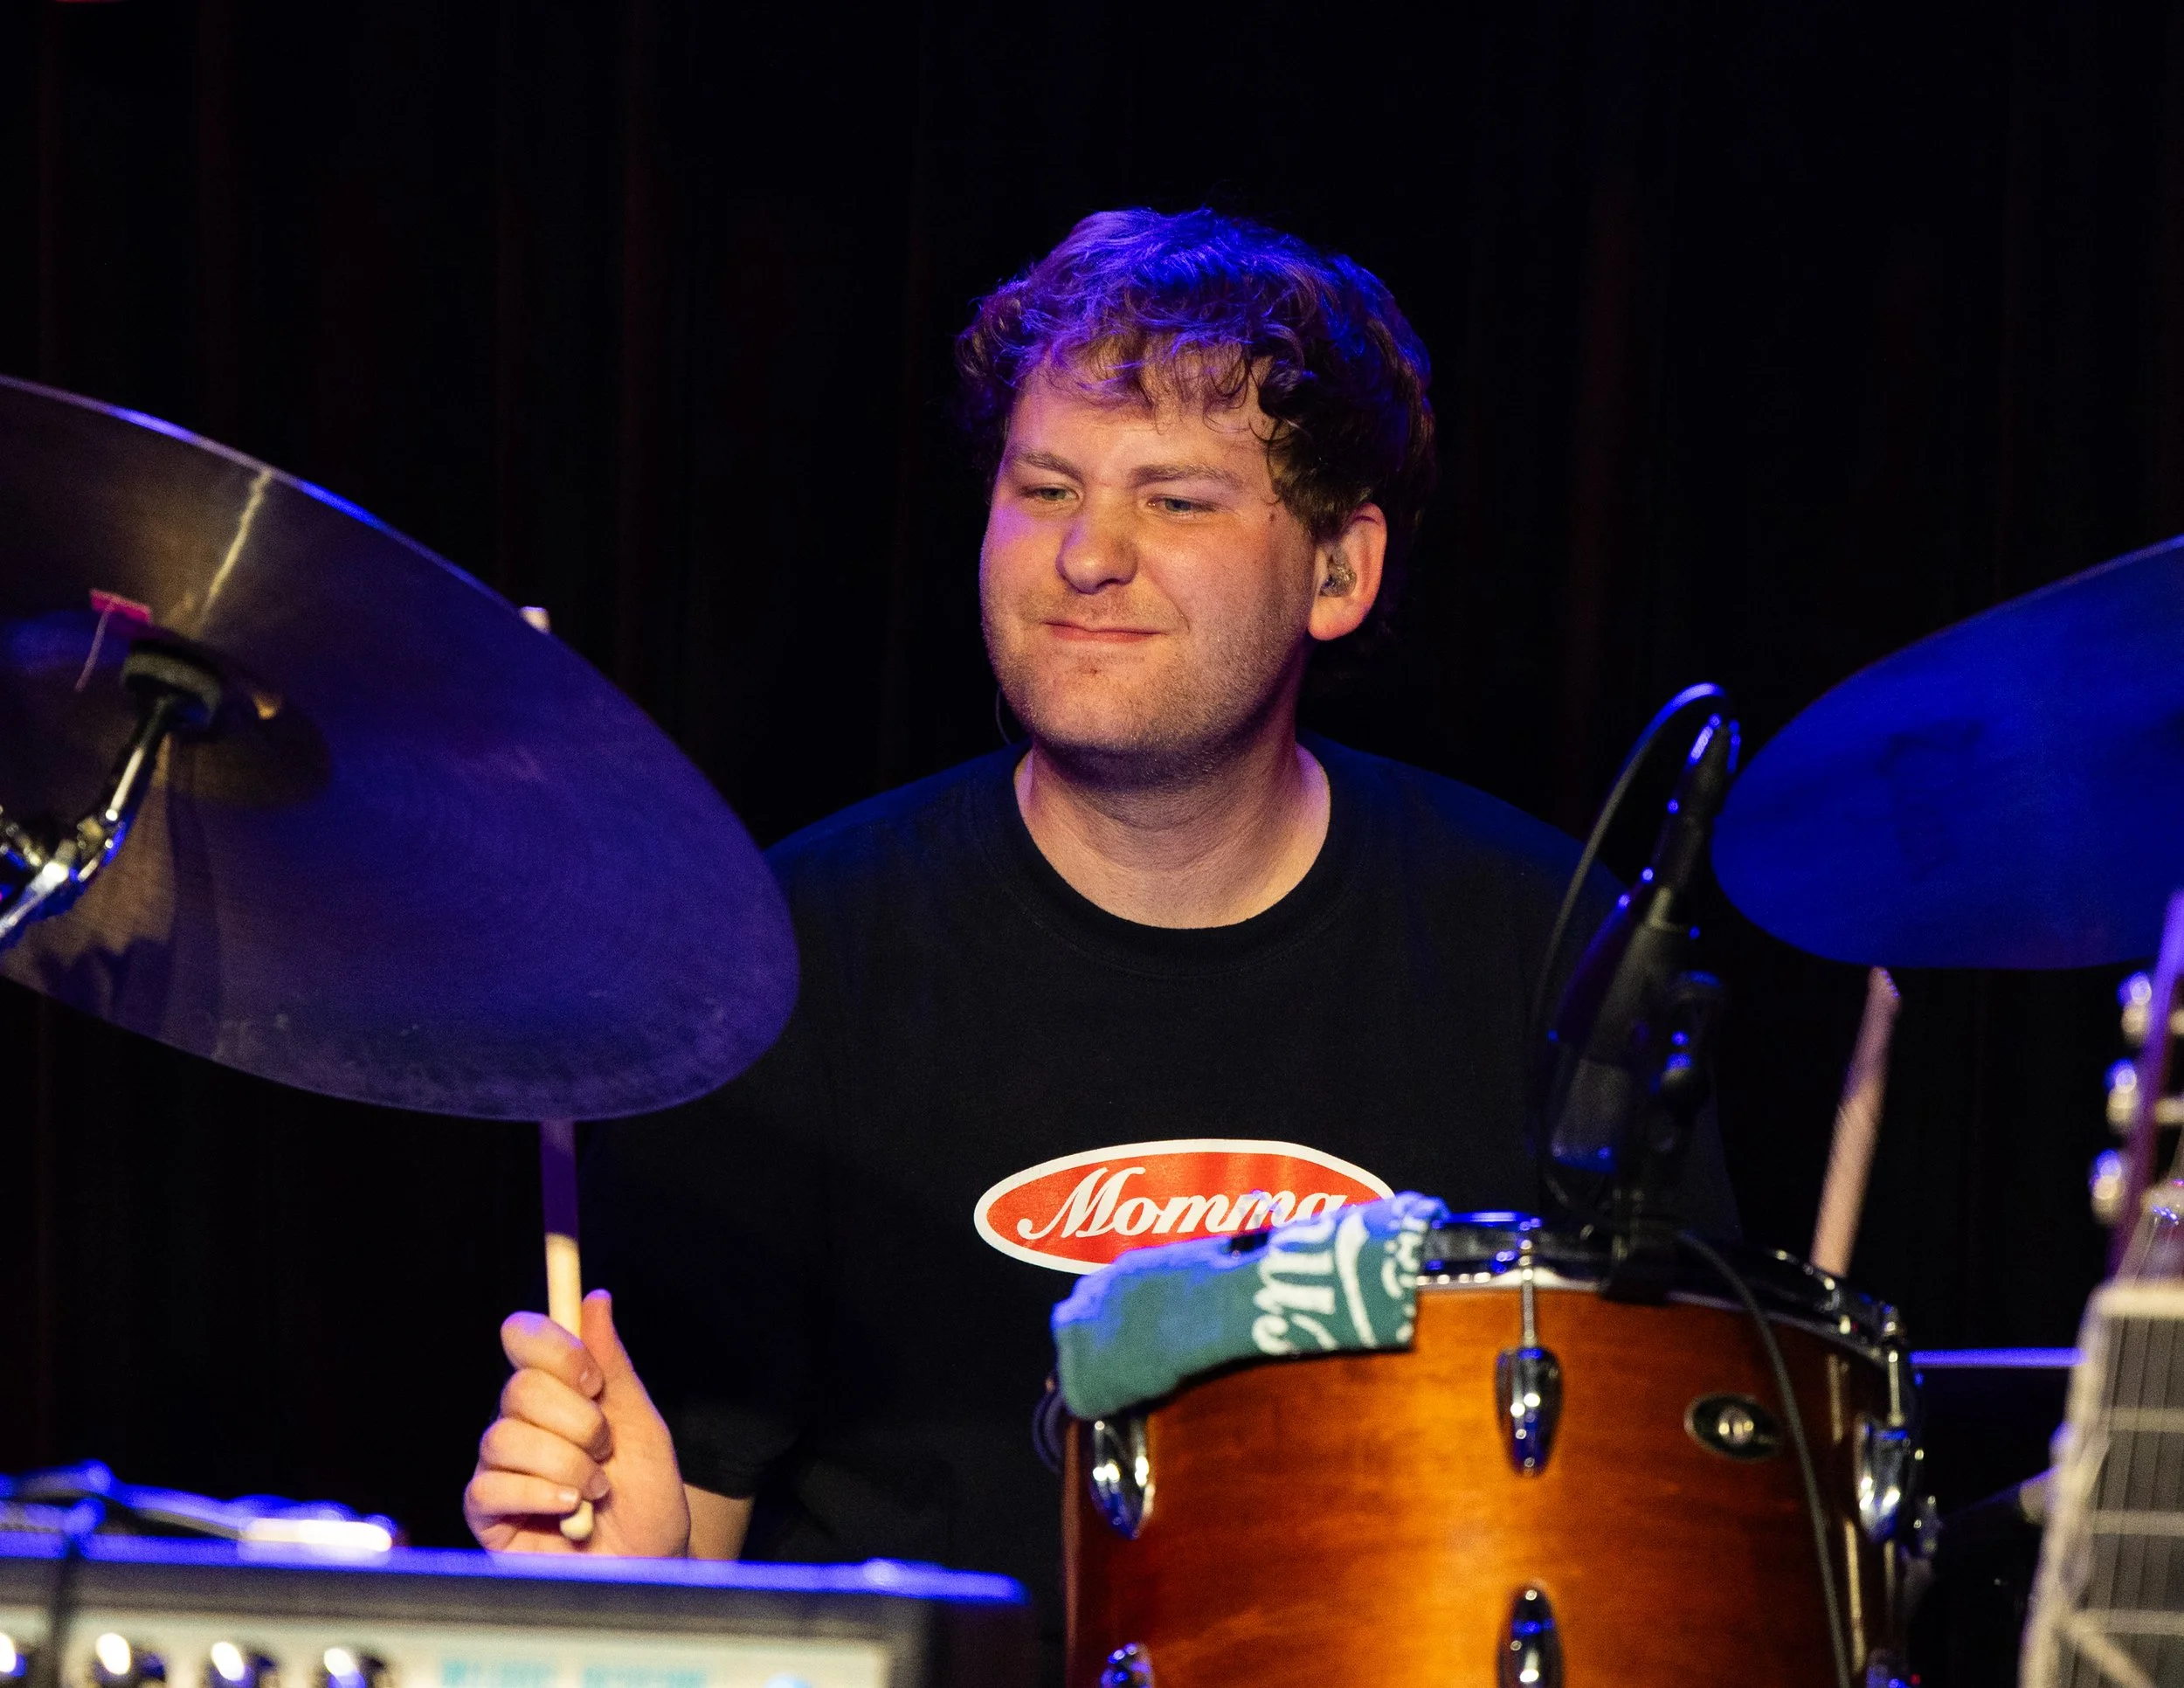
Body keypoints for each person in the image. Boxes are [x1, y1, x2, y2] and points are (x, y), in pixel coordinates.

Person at [461, 207, 1737, 1654]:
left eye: (1177, 501)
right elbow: (691, 1574)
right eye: (1045, 486)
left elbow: (1664, 1557)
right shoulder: (786, 958)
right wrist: (617, 1589)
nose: (1086, 556)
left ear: (1340, 570)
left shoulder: (1544, 947)